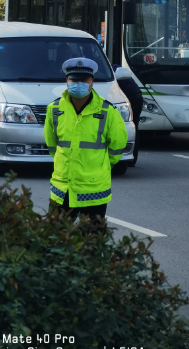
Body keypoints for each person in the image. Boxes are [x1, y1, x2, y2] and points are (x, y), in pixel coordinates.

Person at [44, 57, 128, 224]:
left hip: (94, 189)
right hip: (63, 188)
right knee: (55, 241)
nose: (79, 83)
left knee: (92, 241)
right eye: (74, 80)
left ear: (92, 82)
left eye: (84, 80)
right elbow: (52, 144)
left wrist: (102, 165)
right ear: (67, 81)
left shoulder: (107, 111)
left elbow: (118, 146)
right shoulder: (54, 109)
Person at [112, 63, 143, 167]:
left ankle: (129, 157)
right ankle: (132, 159)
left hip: (131, 97)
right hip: (135, 96)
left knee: (130, 126)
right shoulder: (111, 67)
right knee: (134, 126)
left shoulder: (110, 69)